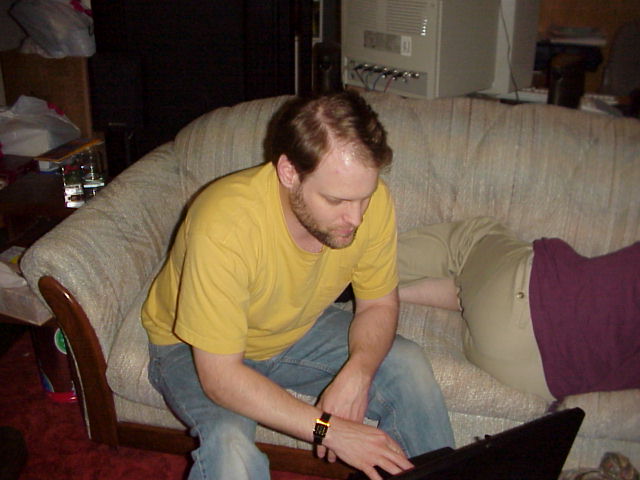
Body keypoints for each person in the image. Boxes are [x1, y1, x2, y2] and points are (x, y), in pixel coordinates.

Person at [141, 91, 454, 480]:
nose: (355, 218)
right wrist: (328, 429)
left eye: (364, 198)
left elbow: (378, 305)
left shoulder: (370, 205)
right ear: (289, 172)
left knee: (407, 365)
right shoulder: (224, 224)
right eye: (336, 200)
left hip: (292, 331)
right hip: (190, 348)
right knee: (230, 441)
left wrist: (359, 370)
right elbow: (221, 378)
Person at [397, 216, 640, 401]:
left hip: (524, 302)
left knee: (475, 237)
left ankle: (371, 267)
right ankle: (386, 295)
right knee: (475, 287)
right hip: (532, 377)